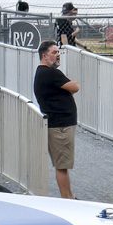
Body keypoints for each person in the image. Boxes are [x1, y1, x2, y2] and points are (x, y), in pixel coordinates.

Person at [33, 40, 80, 199]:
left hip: (58, 125)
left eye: (58, 52)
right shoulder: (51, 73)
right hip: (60, 126)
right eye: (54, 52)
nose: (58, 55)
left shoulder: (42, 72)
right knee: (62, 166)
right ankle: (67, 199)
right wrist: (72, 84)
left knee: (62, 165)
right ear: (44, 55)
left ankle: (69, 196)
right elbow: (75, 87)